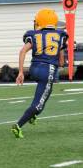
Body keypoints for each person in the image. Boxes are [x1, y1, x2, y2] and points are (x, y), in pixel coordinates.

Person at [11, 8, 68, 138]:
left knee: (44, 96)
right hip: (48, 70)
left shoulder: (33, 35)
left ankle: (33, 116)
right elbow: (61, 62)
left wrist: (20, 72)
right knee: (39, 103)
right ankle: (18, 125)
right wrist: (64, 48)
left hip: (34, 68)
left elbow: (22, 51)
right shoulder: (60, 36)